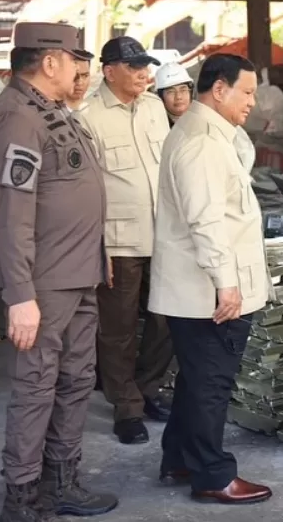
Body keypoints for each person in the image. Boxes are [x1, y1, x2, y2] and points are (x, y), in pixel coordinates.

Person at [0, 22, 118, 522]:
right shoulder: (16, 118)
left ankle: (62, 481)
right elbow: (14, 215)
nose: (80, 68)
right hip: (44, 284)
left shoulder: (54, 112)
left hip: (78, 276)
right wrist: (20, 295)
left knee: (77, 380)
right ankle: (21, 498)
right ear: (51, 61)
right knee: (36, 388)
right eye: (74, 58)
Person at [149, 54, 272, 505]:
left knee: (196, 379)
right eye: (246, 92)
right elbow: (205, 220)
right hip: (207, 291)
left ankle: (179, 458)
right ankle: (212, 475)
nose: (252, 103)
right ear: (219, 89)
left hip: (200, 287)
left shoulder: (212, 134)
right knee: (211, 384)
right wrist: (227, 281)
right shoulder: (201, 141)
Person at [77, 36, 173, 445]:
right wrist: (96, 247)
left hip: (164, 236)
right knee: (117, 330)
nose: (143, 74)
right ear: (109, 70)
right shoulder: (88, 117)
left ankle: (146, 390)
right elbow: (86, 190)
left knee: (167, 319)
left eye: (145, 66)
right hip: (117, 242)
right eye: (134, 67)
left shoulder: (154, 107)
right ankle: (126, 408)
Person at [154, 61, 194, 127]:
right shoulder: (156, 126)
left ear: (190, 92)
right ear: (160, 97)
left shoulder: (204, 118)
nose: (178, 97)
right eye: (171, 92)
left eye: (183, 90)